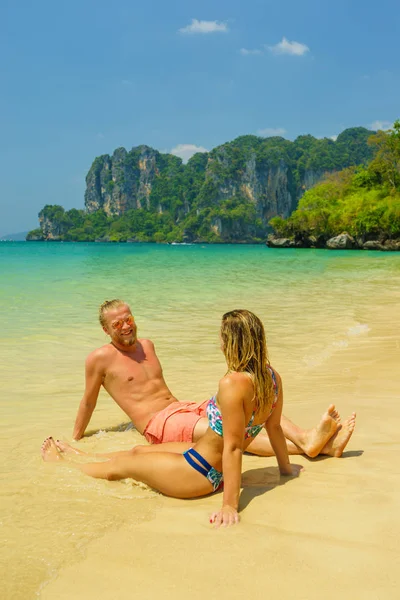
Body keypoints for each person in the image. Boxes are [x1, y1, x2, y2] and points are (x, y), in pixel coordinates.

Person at [42, 309, 309, 526]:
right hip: (203, 459)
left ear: (233, 343)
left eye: (223, 338)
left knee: (123, 466)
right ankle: (78, 454)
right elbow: (274, 427)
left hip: (200, 474)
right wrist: (285, 471)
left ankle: (62, 464)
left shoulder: (232, 383)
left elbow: (234, 446)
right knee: (137, 450)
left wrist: (229, 505)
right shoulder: (271, 377)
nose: (220, 343)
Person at [71, 299, 356, 458]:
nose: (125, 326)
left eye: (128, 318)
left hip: (182, 407)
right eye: (116, 323)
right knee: (229, 431)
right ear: (106, 330)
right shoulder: (99, 358)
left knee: (253, 403)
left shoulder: (147, 345)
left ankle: (307, 438)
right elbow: (88, 402)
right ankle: (314, 448)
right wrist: (76, 439)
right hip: (160, 423)